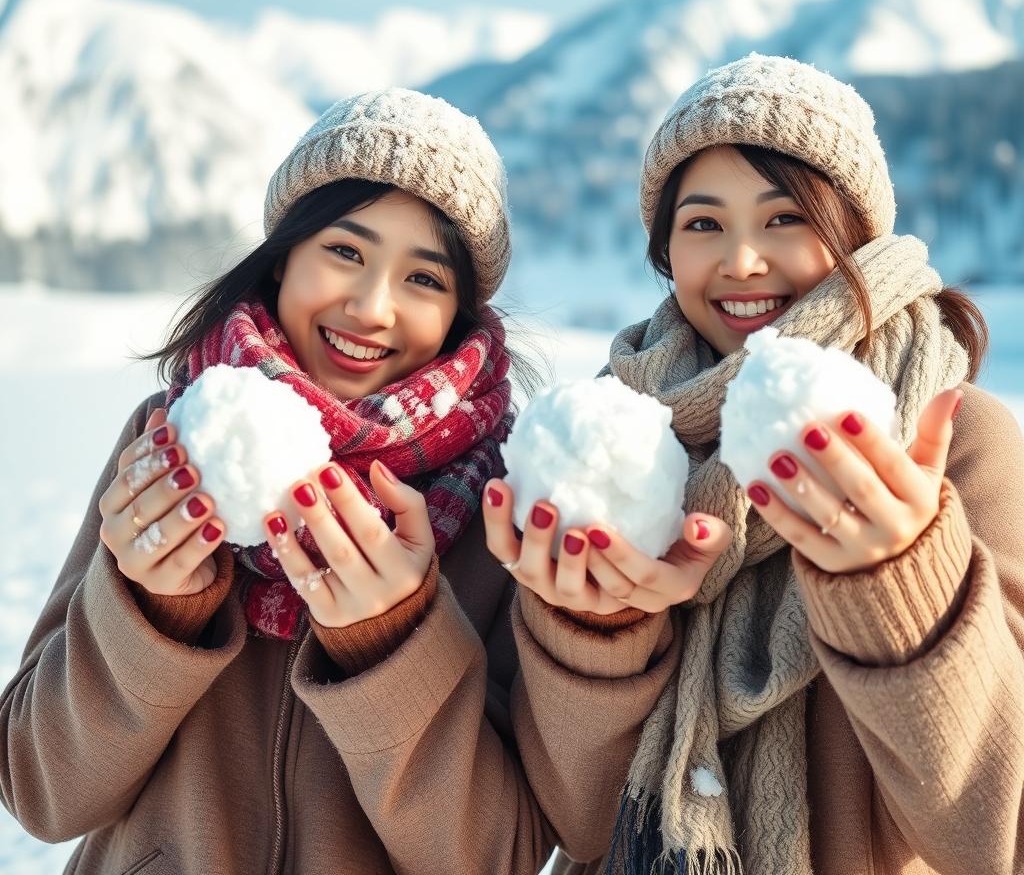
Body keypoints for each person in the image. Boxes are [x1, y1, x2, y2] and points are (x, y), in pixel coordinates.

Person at [484, 55, 1024, 875]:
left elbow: (997, 837)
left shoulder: (949, 446)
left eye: (784, 220)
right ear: (665, 249)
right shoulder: (607, 443)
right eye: (703, 224)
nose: (742, 261)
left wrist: (899, 584)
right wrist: (601, 629)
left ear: (856, 237)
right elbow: (583, 828)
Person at [0, 89, 558, 875]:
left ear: (460, 314)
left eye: (424, 279)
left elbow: (498, 858)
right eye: (345, 251)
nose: (372, 307)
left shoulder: (501, 500)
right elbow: (40, 790)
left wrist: (390, 642)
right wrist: (153, 613)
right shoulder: (168, 444)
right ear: (284, 255)